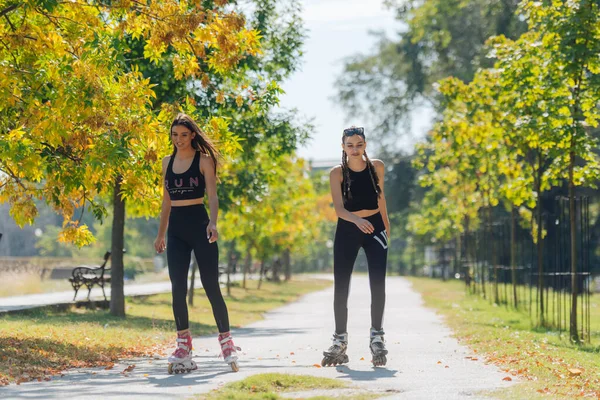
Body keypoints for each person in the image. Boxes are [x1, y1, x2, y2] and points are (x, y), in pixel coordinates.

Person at [154, 113, 239, 374]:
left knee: (211, 284)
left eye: (183, 134)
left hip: (199, 224)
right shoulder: (166, 162)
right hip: (177, 229)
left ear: (192, 135)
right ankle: (183, 344)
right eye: (174, 135)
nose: (178, 139)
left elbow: (212, 196)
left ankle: (226, 341)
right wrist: (160, 234)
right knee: (177, 286)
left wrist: (213, 222)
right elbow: (166, 202)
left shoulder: (204, 160)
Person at [321, 126, 391, 367]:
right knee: (341, 285)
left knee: (378, 284)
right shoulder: (336, 173)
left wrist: (386, 229)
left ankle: (377, 337)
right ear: (343, 147)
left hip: (375, 228)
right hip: (348, 228)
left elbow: (381, 200)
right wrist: (357, 221)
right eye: (349, 145)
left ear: (365, 145)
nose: (354, 149)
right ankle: (339, 340)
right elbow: (339, 209)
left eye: (358, 144)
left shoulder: (377, 167)